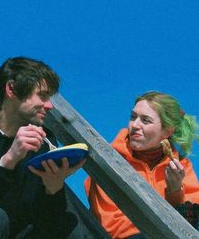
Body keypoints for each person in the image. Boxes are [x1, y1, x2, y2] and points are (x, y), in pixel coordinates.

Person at [0, 56, 86, 239]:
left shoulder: (43, 140)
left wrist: (53, 188)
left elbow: (47, 221)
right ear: (11, 89)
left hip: (17, 230)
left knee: (71, 224)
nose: (49, 105)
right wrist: (8, 160)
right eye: (43, 95)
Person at [84, 91, 199, 238]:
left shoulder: (182, 166)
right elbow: (111, 225)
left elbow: (190, 224)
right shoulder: (109, 160)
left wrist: (175, 191)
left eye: (145, 120)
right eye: (133, 117)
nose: (135, 125)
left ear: (167, 131)